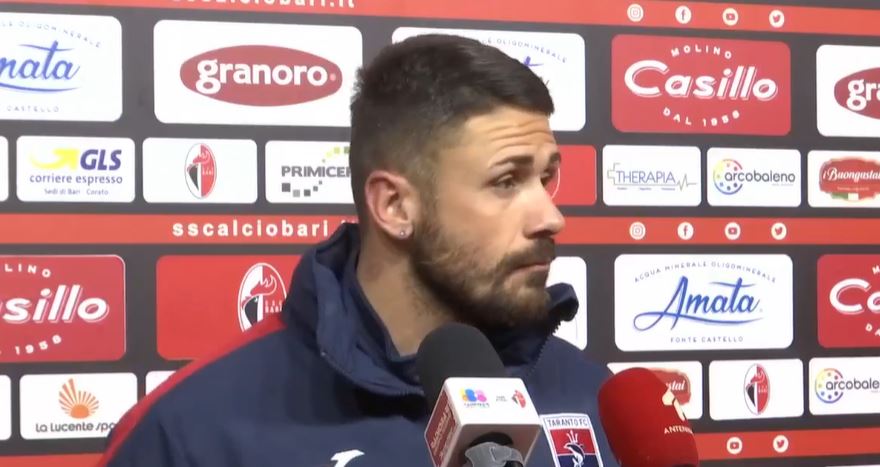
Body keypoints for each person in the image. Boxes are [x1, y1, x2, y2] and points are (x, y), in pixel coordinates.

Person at [97, 33, 618, 467]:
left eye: (546, 178)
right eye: (506, 181)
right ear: (394, 206)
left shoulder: (591, 396)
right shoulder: (191, 434)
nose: (551, 217)